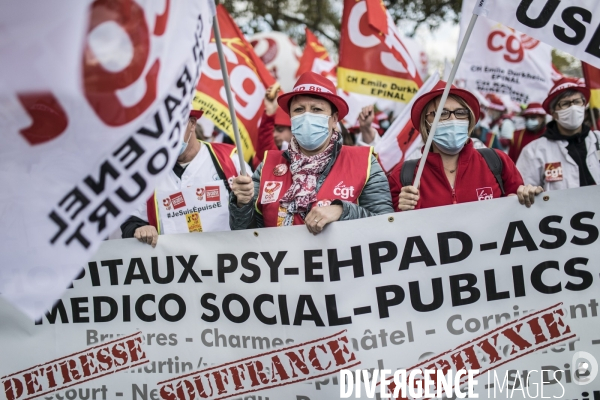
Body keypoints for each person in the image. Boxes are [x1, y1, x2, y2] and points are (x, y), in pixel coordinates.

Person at [229, 71, 394, 234]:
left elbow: (386, 227)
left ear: (334, 118)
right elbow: (246, 234)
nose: (307, 116)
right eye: (299, 109)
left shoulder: (364, 163)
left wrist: (342, 211)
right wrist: (242, 204)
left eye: (316, 109)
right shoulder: (268, 166)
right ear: (291, 117)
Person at [387, 81, 543, 211]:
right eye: (442, 113)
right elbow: (391, 232)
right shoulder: (404, 176)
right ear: (426, 123)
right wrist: (402, 212)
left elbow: (522, 215)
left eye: (461, 112)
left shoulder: (498, 162)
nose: (453, 119)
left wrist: (527, 197)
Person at [121, 110, 250, 247]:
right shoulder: (147, 172)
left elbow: (257, 219)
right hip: (175, 264)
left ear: (192, 124)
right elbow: (130, 221)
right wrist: (139, 229)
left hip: (226, 261)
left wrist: (245, 203)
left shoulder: (230, 160)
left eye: (174, 126)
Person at [517, 78, 600, 190]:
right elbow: (523, 191)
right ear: (553, 113)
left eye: (577, 102)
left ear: (584, 106)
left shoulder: (598, 139)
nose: (573, 108)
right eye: (565, 104)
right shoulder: (534, 151)